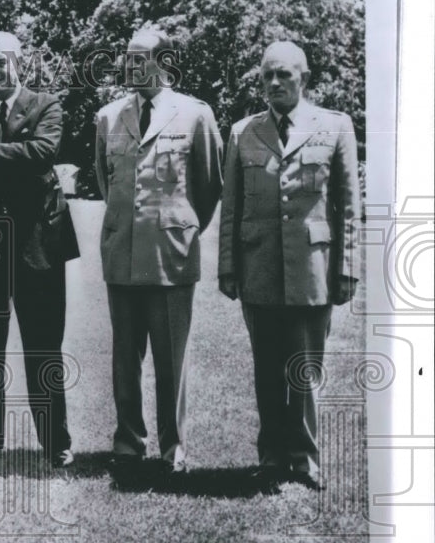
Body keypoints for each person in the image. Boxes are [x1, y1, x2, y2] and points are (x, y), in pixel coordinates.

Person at [218, 41, 360, 489]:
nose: (274, 83)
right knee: (266, 372)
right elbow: (231, 207)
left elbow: (350, 207)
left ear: (304, 78)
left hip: (312, 269)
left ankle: (305, 462)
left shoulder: (335, 126)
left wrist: (348, 269)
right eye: (267, 76)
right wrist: (227, 267)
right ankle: (273, 459)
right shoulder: (243, 131)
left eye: (284, 75)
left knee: (306, 371)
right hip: (258, 266)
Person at [94, 29, 223, 473]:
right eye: (126, 58)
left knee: (172, 361)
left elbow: (207, 188)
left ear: (162, 61)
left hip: (171, 257)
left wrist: (177, 227)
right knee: (124, 361)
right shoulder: (109, 117)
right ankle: (129, 442)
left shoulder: (194, 115)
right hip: (122, 255)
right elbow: (105, 181)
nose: (128, 66)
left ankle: (174, 447)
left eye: (138, 59)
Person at [0, 31, 80, 468]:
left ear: (19, 63)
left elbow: (43, 152)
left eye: (1, 63)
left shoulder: (46, 104)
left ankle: (55, 441)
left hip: (37, 248)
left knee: (43, 347)